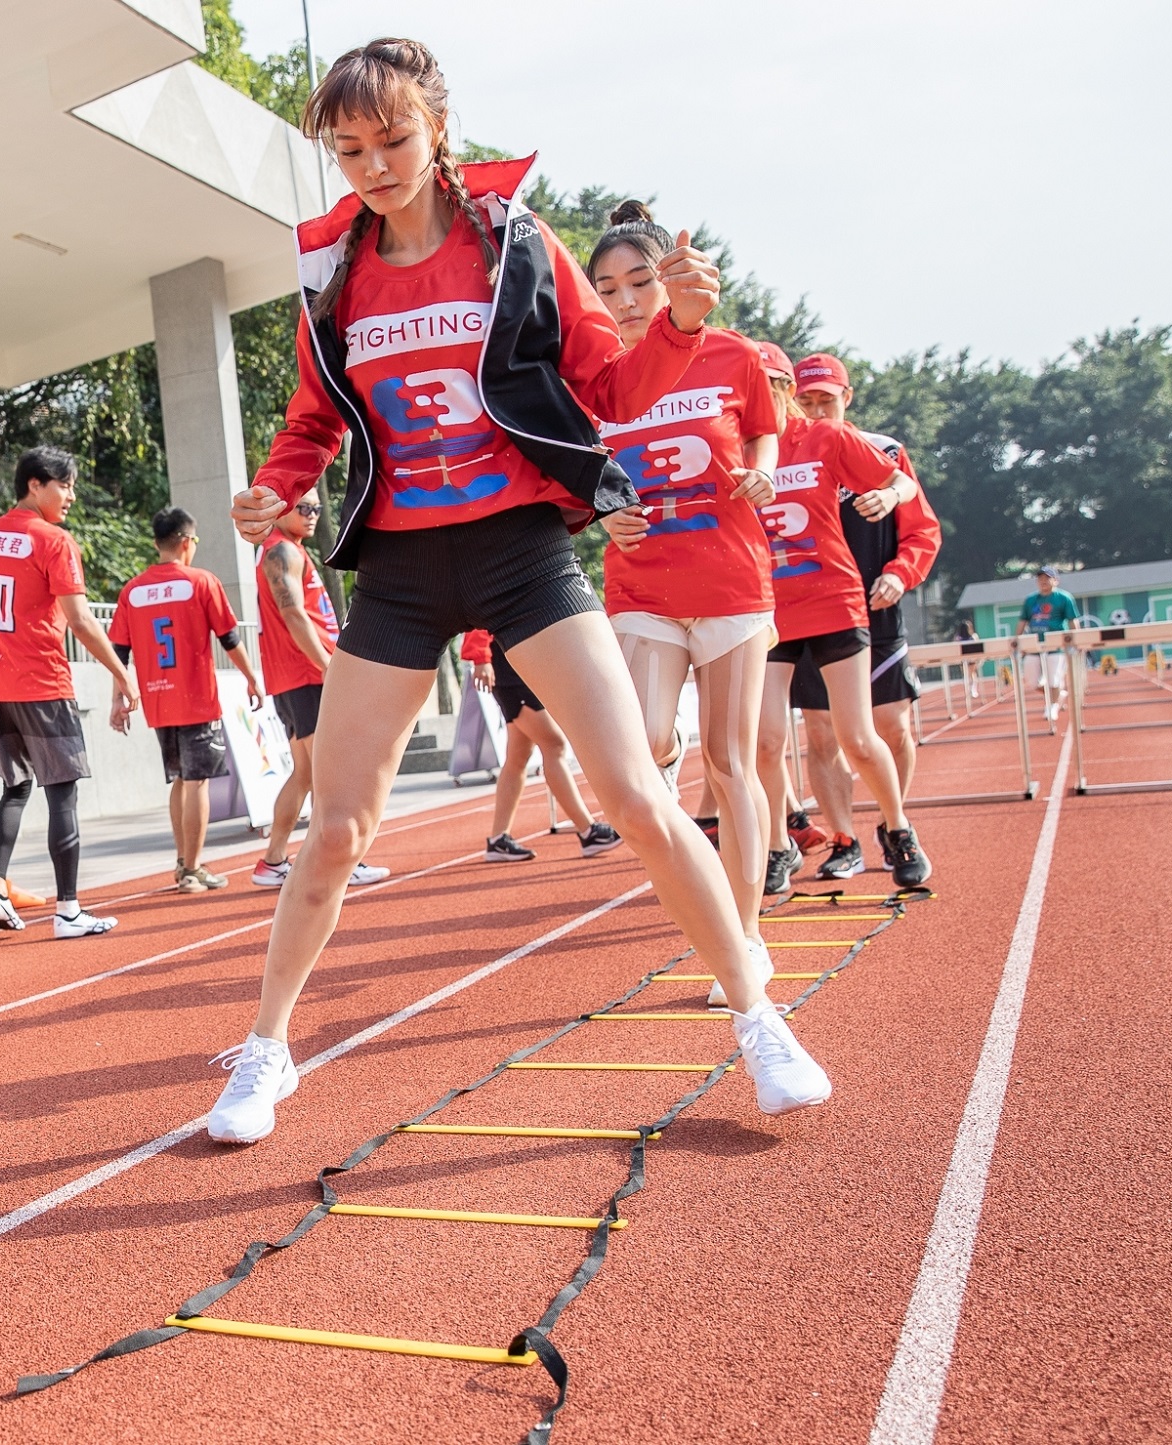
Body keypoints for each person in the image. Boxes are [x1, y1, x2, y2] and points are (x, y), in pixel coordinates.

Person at [205, 38, 831, 1145]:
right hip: (397, 570)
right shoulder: (331, 273)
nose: (373, 164)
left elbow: (608, 388)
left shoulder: (514, 245)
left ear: (437, 127)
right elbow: (310, 422)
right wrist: (271, 489)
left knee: (633, 793)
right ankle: (264, 1049)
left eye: (392, 137)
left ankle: (756, 1015)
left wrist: (680, 328)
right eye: (347, 148)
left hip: (520, 549)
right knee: (340, 826)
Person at [587, 201, 781, 1005]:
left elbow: (767, 431)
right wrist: (600, 509)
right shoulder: (592, 381)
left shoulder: (730, 354)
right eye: (607, 288)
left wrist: (763, 469)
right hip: (642, 583)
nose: (626, 300)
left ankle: (744, 935)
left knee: (732, 762)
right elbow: (574, 477)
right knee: (649, 740)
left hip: (730, 580)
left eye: (639, 281)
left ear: (669, 278)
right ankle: (687, 866)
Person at [756, 354, 933, 892]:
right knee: (766, 742)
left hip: (836, 601)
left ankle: (898, 829)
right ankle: (785, 845)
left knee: (862, 735)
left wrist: (889, 494)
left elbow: (903, 487)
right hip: (768, 612)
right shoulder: (733, 447)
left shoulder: (829, 439)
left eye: (766, 387)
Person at [0, 446, 137, 939]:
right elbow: (79, 619)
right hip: (41, 682)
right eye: (65, 484)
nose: (71, 495)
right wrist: (122, 674)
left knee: (15, 788)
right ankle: (69, 910)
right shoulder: (53, 540)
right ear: (35, 485)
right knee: (63, 792)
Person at [109, 507, 267, 894]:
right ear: (186, 542)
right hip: (195, 697)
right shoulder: (201, 582)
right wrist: (251, 678)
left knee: (180, 780)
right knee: (197, 783)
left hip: (158, 701)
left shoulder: (133, 590)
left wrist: (118, 698)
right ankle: (194, 869)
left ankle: (183, 862)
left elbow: (118, 652)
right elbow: (229, 638)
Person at [251, 486, 388, 890]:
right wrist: (328, 667)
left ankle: (273, 860)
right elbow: (293, 613)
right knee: (332, 774)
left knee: (307, 773)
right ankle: (335, 861)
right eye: (303, 506)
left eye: (316, 506)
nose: (312, 513)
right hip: (306, 676)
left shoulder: (284, 549)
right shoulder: (282, 552)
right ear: (279, 511)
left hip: (296, 678)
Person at [460, 629, 622, 861]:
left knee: (518, 755)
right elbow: (479, 607)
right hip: (506, 663)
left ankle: (498, 840)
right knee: (553, 744)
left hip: (518, 660)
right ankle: (588, 830)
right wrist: (481, 657)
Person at [1018, 565, 1080, 719]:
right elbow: (1022, 622)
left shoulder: (1064, 598)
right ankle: (1058, 694)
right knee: (1031, 682)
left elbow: (1073, 621)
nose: (1043, 581)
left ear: (1055, 580)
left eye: (1047, 578)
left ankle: (1052, 707)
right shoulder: (1030, 600)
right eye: (1040, 578)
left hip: (1056, 646)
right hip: (1034, 646)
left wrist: (1077, 640)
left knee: (1053, 680)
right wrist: (1018, 642)